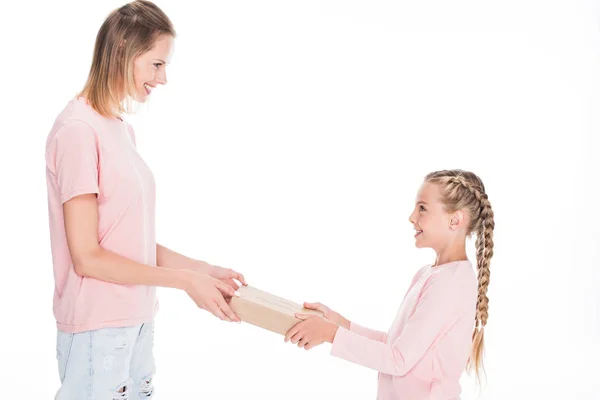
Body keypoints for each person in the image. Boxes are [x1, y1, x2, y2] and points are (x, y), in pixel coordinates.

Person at [44, 1, 246, 398]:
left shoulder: (118, 129)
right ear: (122, 51)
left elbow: (127, 244)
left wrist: (202, 270)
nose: (164, 78)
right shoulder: (77, 131)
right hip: (96, 332)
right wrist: (185, 281)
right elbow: (87, 256)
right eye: (157, 64)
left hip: (135, 324)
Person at [285, 169, 495, 400]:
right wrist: (338, 323)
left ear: (454, 220)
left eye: (422, 208)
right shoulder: (430, 274)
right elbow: (395, 345)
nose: (412, 217)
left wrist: (331, 334)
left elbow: (398, 359)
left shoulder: (450, 283)